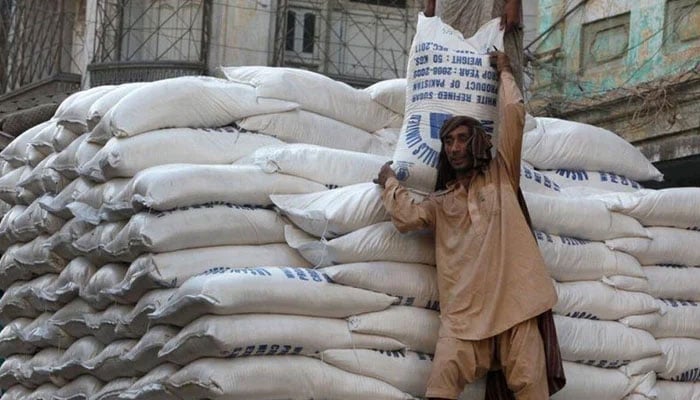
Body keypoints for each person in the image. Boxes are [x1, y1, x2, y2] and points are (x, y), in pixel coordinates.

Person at [374, 52, 557, 400]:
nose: (455, 147)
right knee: (440, 388)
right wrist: (390, 182)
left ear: (477, 142)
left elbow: (514, 114)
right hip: (463, 320)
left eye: (461, 138)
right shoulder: (442, 202)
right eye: (448, 141)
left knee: (533, 389)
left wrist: (504, 70)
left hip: (515, 309)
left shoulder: (502, 178)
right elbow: (407, 217)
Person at [424, 0, 525, 90]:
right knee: (445, 69)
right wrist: (430, 3)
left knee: (501, 67)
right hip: (450, 8)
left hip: (492, 7)